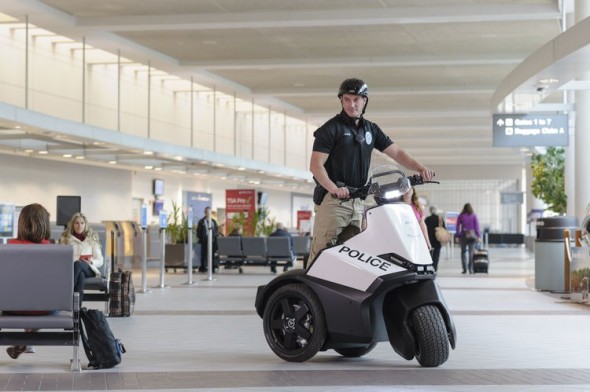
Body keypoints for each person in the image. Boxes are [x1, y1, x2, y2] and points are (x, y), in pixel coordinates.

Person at [308, 78, 434, 267]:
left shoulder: (371, 130)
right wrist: (334, 189)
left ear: (364, 101)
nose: (352, 105)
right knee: (322, 253)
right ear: (341, 100)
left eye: (356, 100)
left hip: (359, 202)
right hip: (334, 203)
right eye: (347, 100)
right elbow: (316, 166)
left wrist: (420, 168)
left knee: (354, 255)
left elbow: (397, 153)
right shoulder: (330, 129)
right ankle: (308, 295)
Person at [5, 203, 52, 360]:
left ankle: (24, 343)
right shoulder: (51, 250)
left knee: (25, 294)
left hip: (12, 307)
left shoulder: (9, 247)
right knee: (39, 298)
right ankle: (25, 342)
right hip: (44, 308)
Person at [59, 212, 104, 304]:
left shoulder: (92, 238)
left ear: (85, 224)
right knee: (80, 275)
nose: (79, 226)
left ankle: (66, 293)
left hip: (89, 268)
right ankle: (77, 310)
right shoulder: (66, 239)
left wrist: (91, 262)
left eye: (82, 223)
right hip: (72, 269)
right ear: (73, 225)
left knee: (79, 264)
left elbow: (100, 260)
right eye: (77, 223)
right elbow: (62, 258)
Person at [403, 187, 432, 251]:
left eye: (409, 188)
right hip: (402, 237)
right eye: (405, 188)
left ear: (413, 190)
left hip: (415, 237)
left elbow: (422, 224)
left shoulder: (418, 205)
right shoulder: (396, 205)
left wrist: (427, 242)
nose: (407, 190)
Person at [456, 203, 480, 274]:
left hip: (463, 236)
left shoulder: (461, 216)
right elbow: (477, 227)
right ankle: (471, 269)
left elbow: (458, 227)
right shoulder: (474, 216)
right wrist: (478, 236)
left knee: (463, 252)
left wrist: (457, 236)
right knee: (471, 253)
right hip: (472, 237)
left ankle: (464, 269)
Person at [196, 207, 219, 273]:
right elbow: (198, 231)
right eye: (207, 212)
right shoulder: (201, 221)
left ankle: (212, 267)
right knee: (203, 254)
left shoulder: (213, 221)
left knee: (212, 254)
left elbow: (216, 230)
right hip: (204, 240)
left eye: (210, 212)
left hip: (212, 241)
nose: (208, 214)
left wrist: (215, 236)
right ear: (205, 212)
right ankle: (203, 267)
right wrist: (201, 237)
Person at [424, 206, 445, 271]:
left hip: (429, 240)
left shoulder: (427, 219)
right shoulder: (439, 219)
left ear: (430, 211)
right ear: (436, 211)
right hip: (438, 240)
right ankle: (435, 269)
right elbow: (444, 228)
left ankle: (429, 268)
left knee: (430, 255)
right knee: (436, 255)